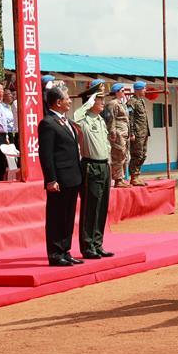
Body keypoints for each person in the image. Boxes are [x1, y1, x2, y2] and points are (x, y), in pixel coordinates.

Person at [38, 84, 84, 267]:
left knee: (68, 216)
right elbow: (46, 154)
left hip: (73, 177)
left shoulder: (66, 122)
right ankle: (55, 254)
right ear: (57, 102)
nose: (69, 101)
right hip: (59, 179)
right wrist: (51, 179)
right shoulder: (47, 123)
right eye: (66, 99)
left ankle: (65, 250)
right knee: (57, 216)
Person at [71, 81, 115, 260]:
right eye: (99, 100)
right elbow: (74, 116)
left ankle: (98, 243)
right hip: (91, 166)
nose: (103, 103)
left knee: (101, 207)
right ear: (91, 102)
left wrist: (110, 166)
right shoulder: (84, 120)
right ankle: (88, 246)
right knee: (90, 208)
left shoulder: (100, 120)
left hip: (104, 166)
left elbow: (106, 146)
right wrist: (87, 103)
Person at [106, 83, 131, 188]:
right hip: (118, 133)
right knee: (118, 155)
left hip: (124, 133)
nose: (124, 93)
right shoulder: (113, 103)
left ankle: (121, 178)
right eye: (122, 90)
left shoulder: (122, 103)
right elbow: (111, 119)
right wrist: (112, 133)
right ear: (116, 92)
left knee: (124, 155)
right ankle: (117, 179)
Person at [127, 81, 151, 187]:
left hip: (144, 132)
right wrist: (131, 133)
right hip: (137, 133)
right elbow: (130, 119)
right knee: (137, 155)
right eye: (144, 88)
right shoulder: (131, 102)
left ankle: (137, 175)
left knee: (143, 155)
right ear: (138, 89)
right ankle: (133, 177)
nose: (145, 90)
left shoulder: (141, 101)